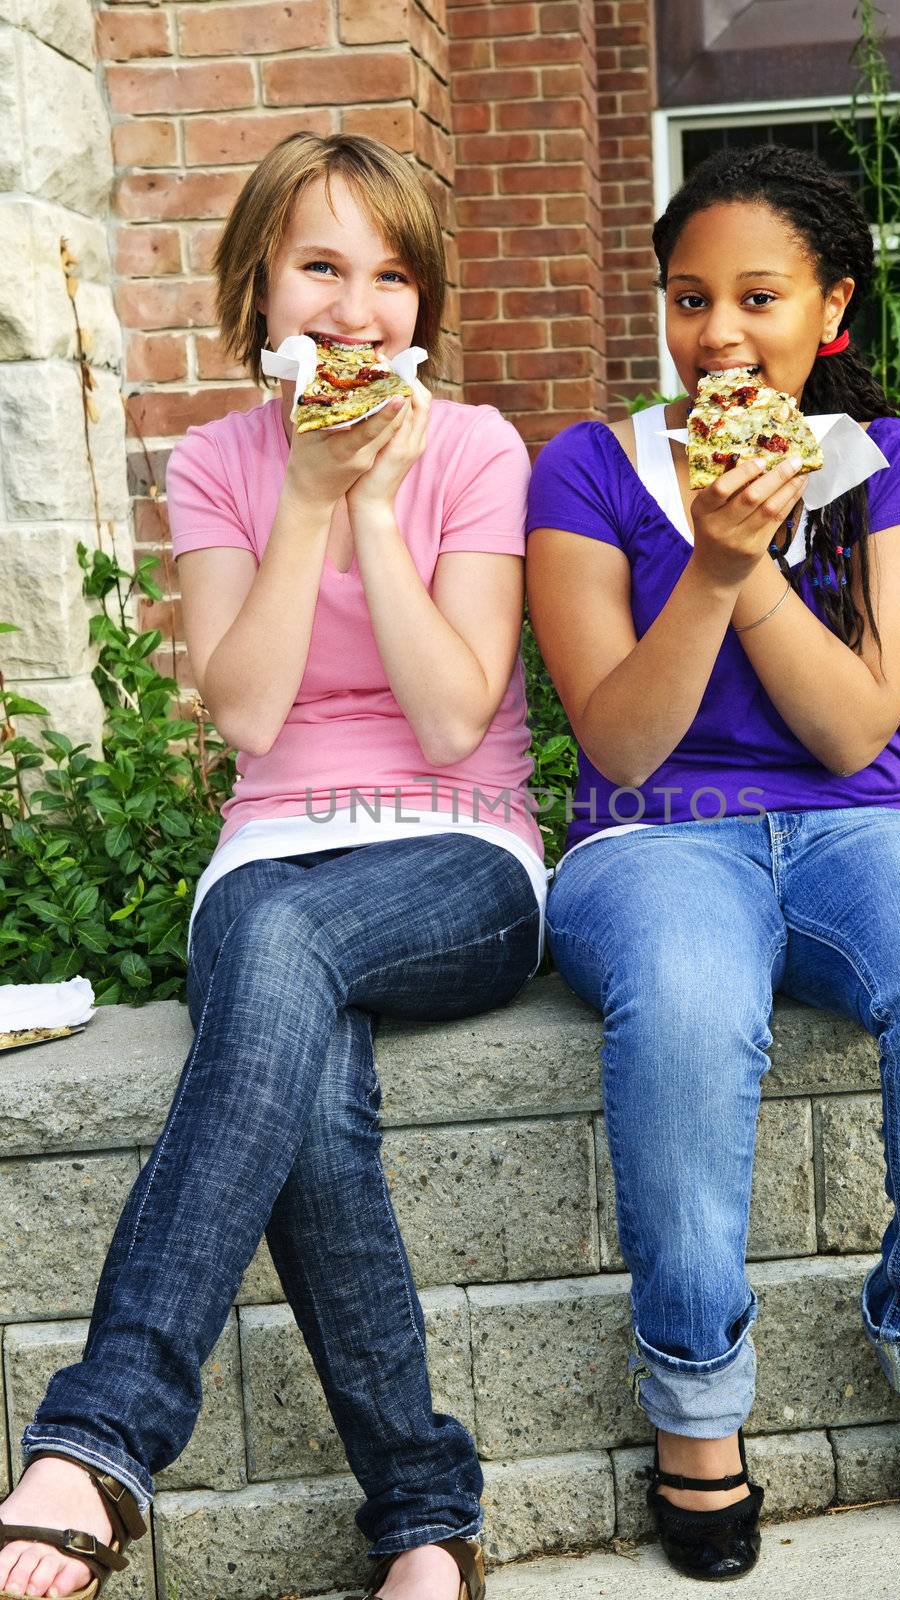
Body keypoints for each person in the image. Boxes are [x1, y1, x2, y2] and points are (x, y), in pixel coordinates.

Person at [0, 132, 546, 1600]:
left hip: (462, 857)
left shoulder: (480, 448)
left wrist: (372, 497)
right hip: (272, 853)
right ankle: (428, 1524)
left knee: (283, 953)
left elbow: (451, 716)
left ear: (423, 304)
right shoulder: (220, 466)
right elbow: (244, 714)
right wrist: (305, 493)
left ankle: (98, 1440)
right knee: (306, 1082)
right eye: (321, 266)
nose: (355, 308)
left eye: (389, 274)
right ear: (259, 287)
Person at [525, 144, 900, 1581]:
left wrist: (754, 552)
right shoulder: (590, 467)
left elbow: (854, 722)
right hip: (656, 841)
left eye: (759, 297)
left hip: (864, 821)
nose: (718, 336)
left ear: (832, 313)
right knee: (688, 1015)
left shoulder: (893, 466)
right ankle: (696, 1412)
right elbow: (621, 746)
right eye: (690, 300)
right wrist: (704, 555)